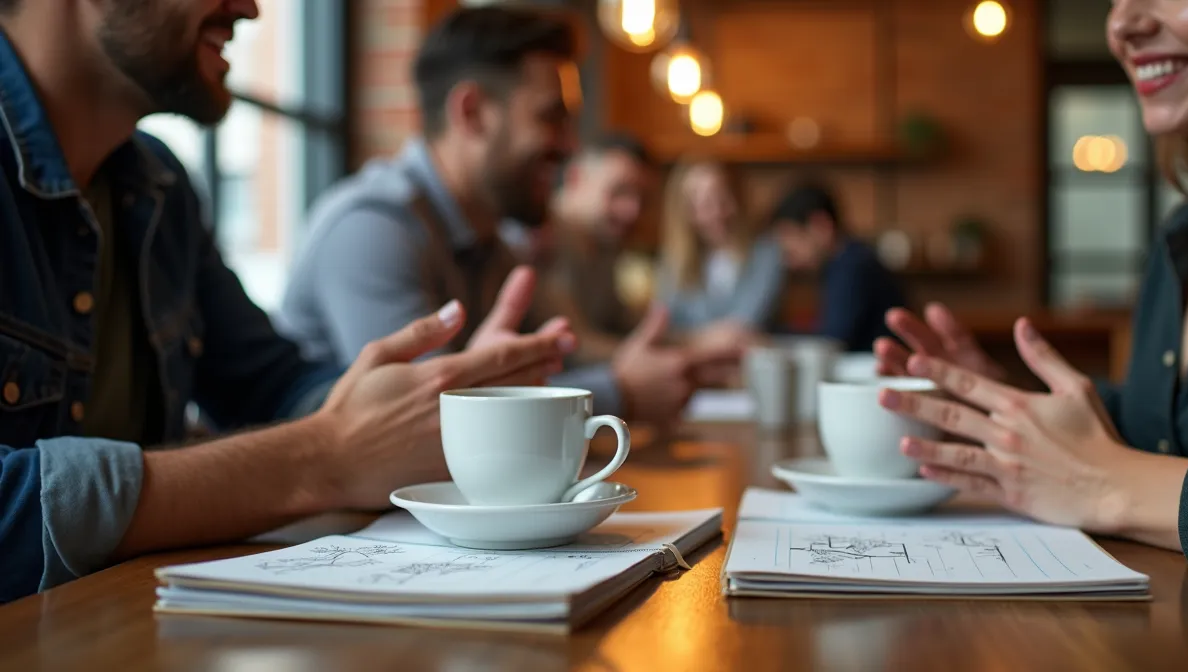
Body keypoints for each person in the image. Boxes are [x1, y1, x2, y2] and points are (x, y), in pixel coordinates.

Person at [0, 0, 575, 602]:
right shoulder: (375, 219)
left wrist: (413, 405)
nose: (251, 8)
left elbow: (268, 384)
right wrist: (324, 455)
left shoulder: (158, 187)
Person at [874, 0, 1188, 578]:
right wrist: (1007, 407)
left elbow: (1135, 471)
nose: (1123, 24)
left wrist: (1109, 487)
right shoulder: (1184, 237)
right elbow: (1172, 429)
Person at [279, 7, 728, 426]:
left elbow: (567, 351)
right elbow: (423, 421)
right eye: (552, 118)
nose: (571, 147)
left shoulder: (494, 241)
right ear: (472, 113)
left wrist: (676, 361)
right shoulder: (373, 230)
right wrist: (619, 394)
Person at [501, 132, 653, 365]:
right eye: (620, 191)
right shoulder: (536, 237)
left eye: (642, 199)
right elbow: (572, 344)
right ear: (575, 178)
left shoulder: (604, 244)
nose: (633, 210)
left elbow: (626, 325)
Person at [769, 179, 907, 352]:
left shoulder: (853, 266)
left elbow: (833, 340)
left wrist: (767, 338)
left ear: (820, 225)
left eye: (791, 247)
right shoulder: (846, 261)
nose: (788, 261)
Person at [657, 159, 785, 341]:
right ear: (685, 212)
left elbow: (746, 324)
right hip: (687, 364)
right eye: (703, 204)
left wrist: (688, 338)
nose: (716, 212)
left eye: (722, 198)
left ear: (736, 197)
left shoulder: (766, 252)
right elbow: (663, 325)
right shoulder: (674, 259)